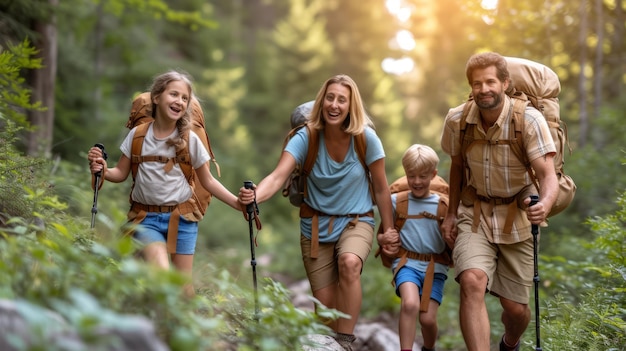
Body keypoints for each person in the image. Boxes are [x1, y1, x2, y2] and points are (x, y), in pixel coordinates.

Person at [238, 74, 397, 351]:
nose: (334, 105)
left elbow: (382, 189)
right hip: (315, 227)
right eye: (330, 98)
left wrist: (388, 229)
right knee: (325, 317)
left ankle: (346, 343)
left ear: (351, 106)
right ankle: (331, 342)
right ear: (321, 101)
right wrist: (255, 197)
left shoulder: (365, 139)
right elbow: (277, 177)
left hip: (356, 220)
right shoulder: (306, 138)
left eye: (342, 100)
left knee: (349, 263)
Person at [439, 52, 559, 351]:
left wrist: (545, 203)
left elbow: (548, 175)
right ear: (471, 87)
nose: (484, 89)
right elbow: (455, 167)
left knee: (516, 310)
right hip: (474, 213)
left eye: (490, 81)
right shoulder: (457, 120)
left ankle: (510, 342)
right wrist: (451, 214)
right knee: (472, 281)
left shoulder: (529, 120)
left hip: (517, 218)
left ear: (504, 83)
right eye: (477, 83)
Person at [87, 70, 243, 297]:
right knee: (162, 272)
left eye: (184, 98)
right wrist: (102, 169)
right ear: (157, 97)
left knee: (184, 290)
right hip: (145, 219)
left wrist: (238, 203)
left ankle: (181, 328)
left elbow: (207, 181)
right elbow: (120, 173)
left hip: (183, 219)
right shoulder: (137, 136)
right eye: (174, 94)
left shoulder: (190, 140)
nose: (179, 101)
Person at [378, 144, 449, 351]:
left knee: (427, 320)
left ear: (433, 175)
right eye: (411, 176)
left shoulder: (442, 205)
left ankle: (429, 347)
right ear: (405, 174)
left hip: (435, 268)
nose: (417, 181)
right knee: (409, 304)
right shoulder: (395, 202)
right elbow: (383, 234)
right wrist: (383, 240)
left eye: (423, 176)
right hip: (406, 263)